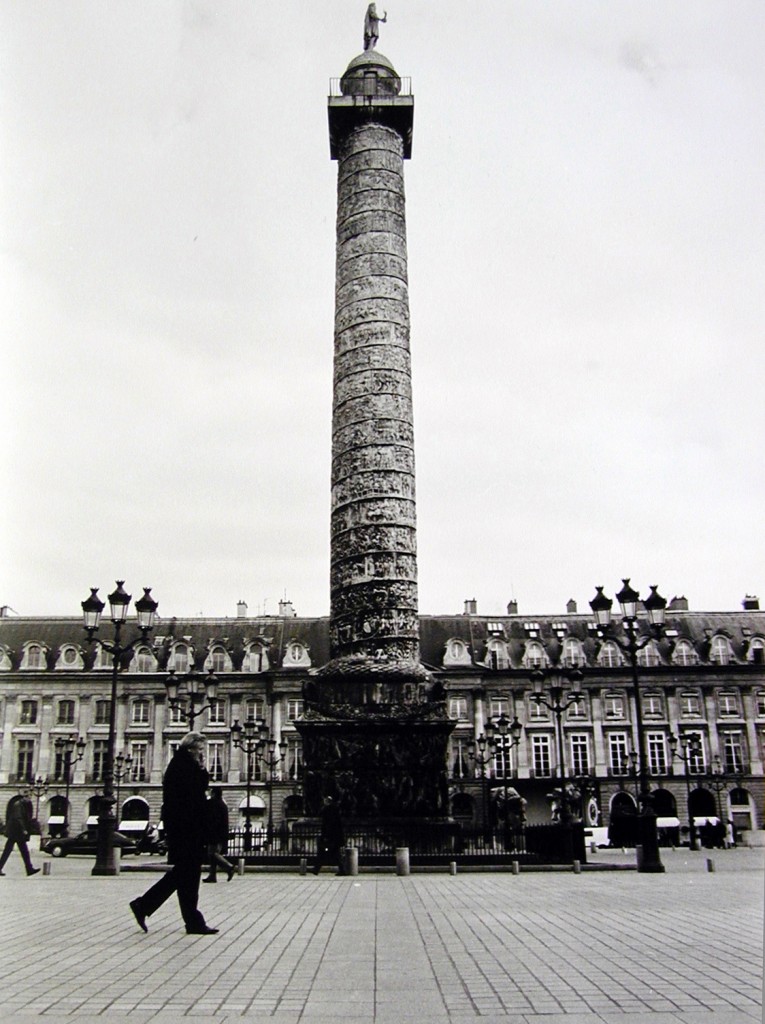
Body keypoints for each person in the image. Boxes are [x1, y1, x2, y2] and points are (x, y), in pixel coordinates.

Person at [129, 732, 218, 935]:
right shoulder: (184, 767)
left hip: (183, 828)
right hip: (187, 829)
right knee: (186, 874)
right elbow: (193, 796)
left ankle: (190, 921)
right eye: (200, 750)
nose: (202, 754)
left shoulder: (180, 765)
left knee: (186, 875)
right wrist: (203, 771)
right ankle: (144, 905)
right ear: (191, 749)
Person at [0, 791, 40, 877]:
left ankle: (29, 869)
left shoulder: (21, 805)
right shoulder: (18, 805)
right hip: (16, 832)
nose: (30, 799)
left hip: (16, 833)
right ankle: (29, 869)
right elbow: (18, 818)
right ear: (25, 797)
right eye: (29, 797)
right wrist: (24, 829)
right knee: (19, 851)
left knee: (16, 851)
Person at [202, 786, 235, 883]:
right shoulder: (222, 804)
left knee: (212, 853)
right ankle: (212, 876)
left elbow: (211, 819)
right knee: (212, 855)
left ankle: (229, 867)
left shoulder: (214, 803)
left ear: (214, 793)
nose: (210, 794)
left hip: (215, 833)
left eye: (211, 792)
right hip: (221, 833)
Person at [312, 796, 345, 875]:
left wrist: (325, 836)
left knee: (322, 853)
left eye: (324, 801)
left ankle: (316, 869)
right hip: (335, 837)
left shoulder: (328, 810)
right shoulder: (335, 810)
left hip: (329, 837)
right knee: (334, 854)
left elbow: (327, 825)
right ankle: (316, 869)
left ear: (327, 802)